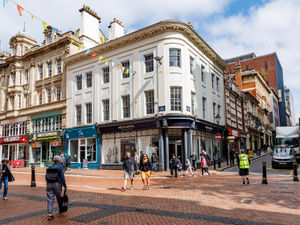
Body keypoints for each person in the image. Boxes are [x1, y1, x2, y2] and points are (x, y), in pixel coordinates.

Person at [46, 155, 67, 221]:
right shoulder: (60, 167)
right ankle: (61, 209)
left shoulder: (49, 167)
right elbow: (62, 177)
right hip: (57, 184)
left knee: (50, 199)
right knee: (59, 197)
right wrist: (64, 185)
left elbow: (46, 176)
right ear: (59, 160)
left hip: (49, 184)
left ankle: (50, 214)